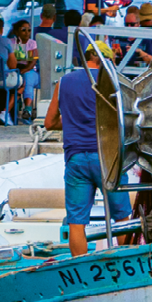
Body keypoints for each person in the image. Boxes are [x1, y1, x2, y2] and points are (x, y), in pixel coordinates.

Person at [44, 40, 126, 258]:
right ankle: (126, 262)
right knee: (122, 218)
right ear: (106, 60)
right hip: (108, 158)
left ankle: (80, 265)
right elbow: (126, 120)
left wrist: (73, 121)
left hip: (76, 158)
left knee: (76, 222)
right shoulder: (113, 81)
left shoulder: (64, 81)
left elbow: (49, 123)